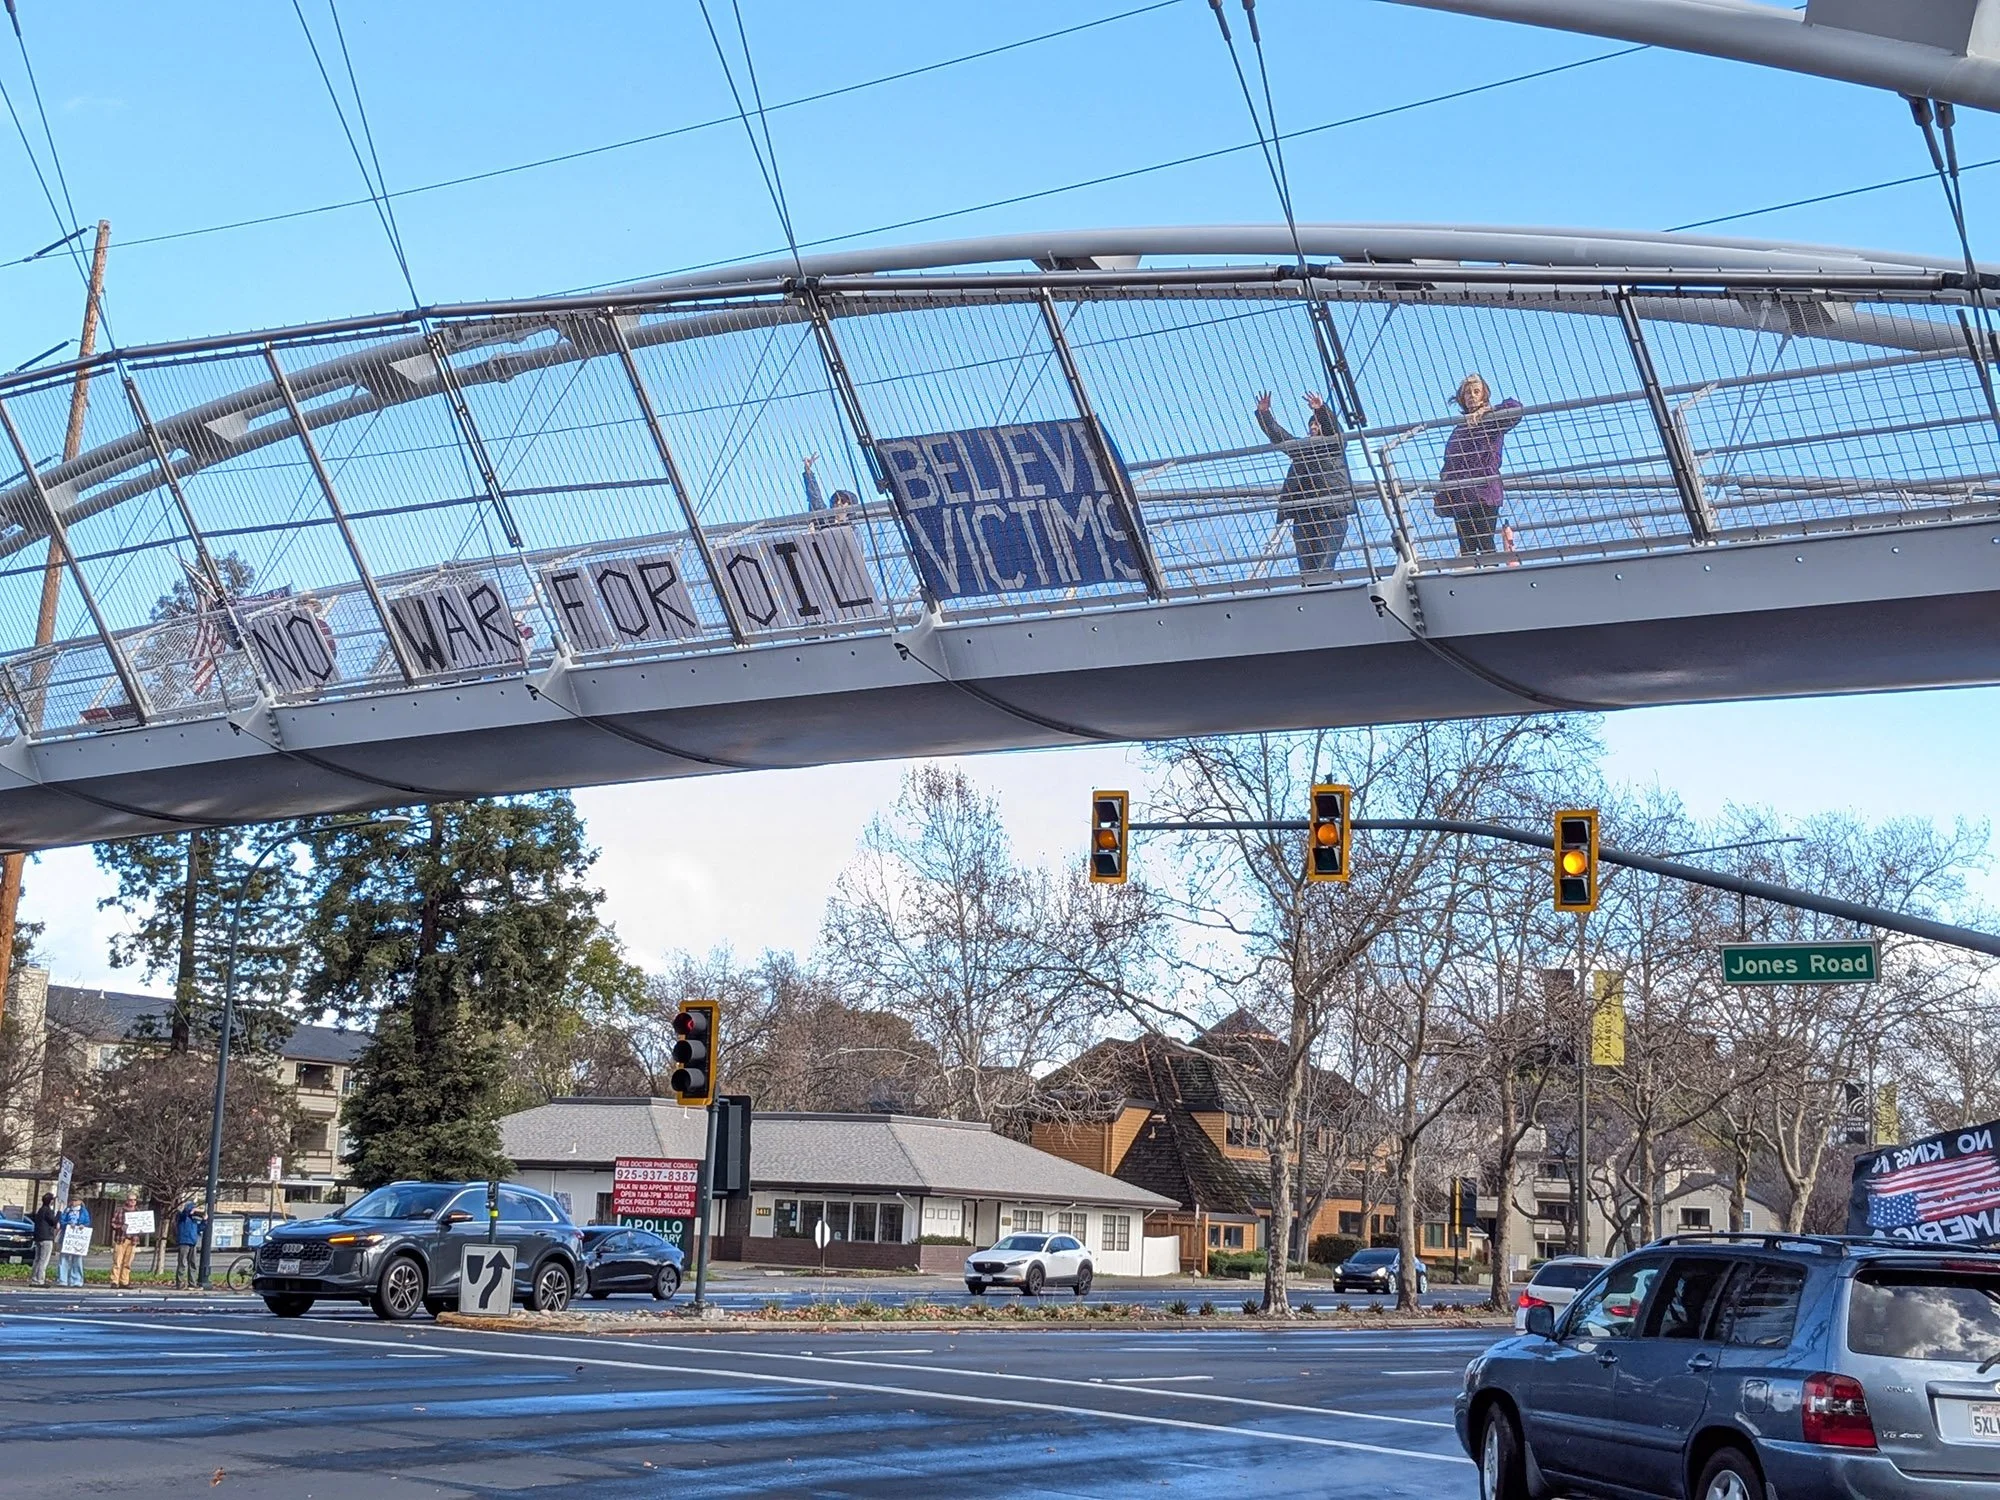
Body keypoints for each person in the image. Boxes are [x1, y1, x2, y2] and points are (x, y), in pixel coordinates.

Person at [1254, 390, 1353, 575]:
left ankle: (1322, 598)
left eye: (1317, 423)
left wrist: (1321, 410)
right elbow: (1279, 436)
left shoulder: (1334, 447)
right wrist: (1264, 414)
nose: (1313, 427)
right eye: (1311, 424)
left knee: (1323, 567)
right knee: (1307, 570)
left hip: (1330, 514)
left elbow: (1332, 429)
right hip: (1304, 515)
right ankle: (1312, 597)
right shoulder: (1302, 450)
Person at [1433, 374, 1526, 558]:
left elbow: (1516, 408)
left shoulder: (1491, 419)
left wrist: (1490, 410)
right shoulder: (1459, 430)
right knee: (1467, 548)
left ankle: (1490, 578)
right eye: (1467, 393)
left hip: (1484, 492)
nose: (1472, 396)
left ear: (1484, 395)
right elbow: (1450, 463)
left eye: (1476, 392)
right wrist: (1443, 489)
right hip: (1461, 495)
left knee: (1485, 543)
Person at [802, 455, 859, 526]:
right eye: (836, 499)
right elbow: (815, 497)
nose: (838, 502)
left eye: (843, 500)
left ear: (850, 505)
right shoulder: (824, 519)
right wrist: (808, 471)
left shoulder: (853, 529)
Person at [56, 1194, 90, 1288]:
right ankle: (62, 1280)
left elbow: (87, 1222)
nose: (73, 1202)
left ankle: (76, 1280)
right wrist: (68, 1224)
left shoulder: (84, 1212)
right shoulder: (67, 1210)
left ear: (80, 1201)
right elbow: (62, 1221)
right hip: (67, 1238)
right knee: (64, 1259)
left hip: (77, 1239)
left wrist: (83, 1225)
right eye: (72, 1200)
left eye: (76, 1200)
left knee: (77, 1260)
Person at [109, 1193, 140, 1288]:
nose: (132, 1202)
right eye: (130, 1200)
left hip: (133, 1240)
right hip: (121, 1239)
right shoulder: (120, 1210)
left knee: (128, 1262)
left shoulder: (138, 1212)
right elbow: (112, 1223)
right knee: (117, 1261)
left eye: (134, 1200)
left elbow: (143, 1224)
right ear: (127, 1200)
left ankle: (124, 1281)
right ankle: (114, 1281)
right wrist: (120, 1227)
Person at [173, 1198, 205, 1290]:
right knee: (182, 1263)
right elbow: (182, 1215)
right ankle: (180, 1283)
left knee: (193, 1264)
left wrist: (204, 1221)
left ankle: (192, 1283)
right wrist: (189, 1211)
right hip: (184, 1242)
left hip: (192, 1242)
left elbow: (199, 1228)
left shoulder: (194, 1220)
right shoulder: (182, 1217)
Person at [29, 1192, 58, 1288]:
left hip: (38, 1237)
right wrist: (59, 1212)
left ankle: (34, 1279)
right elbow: (54, 1221)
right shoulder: (48, 1211)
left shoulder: (40, 1210)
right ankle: (39, 1280)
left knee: (37, 1259)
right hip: (46, 1238)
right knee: (43, 1260)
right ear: (51, 1201)